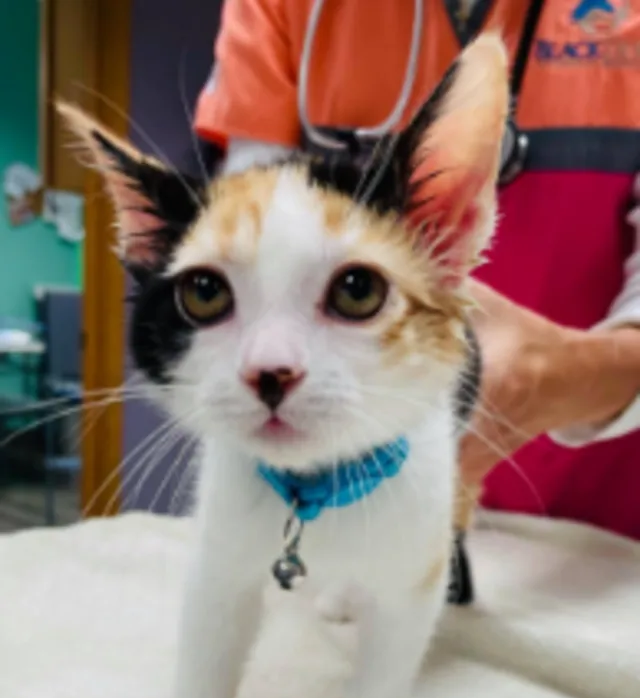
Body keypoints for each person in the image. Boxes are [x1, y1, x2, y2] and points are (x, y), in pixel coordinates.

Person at [193, 0, 640, 540]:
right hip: (343, 510)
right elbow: (250, 248)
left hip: (593, 526)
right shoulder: (280, 9)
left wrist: (561, 371)